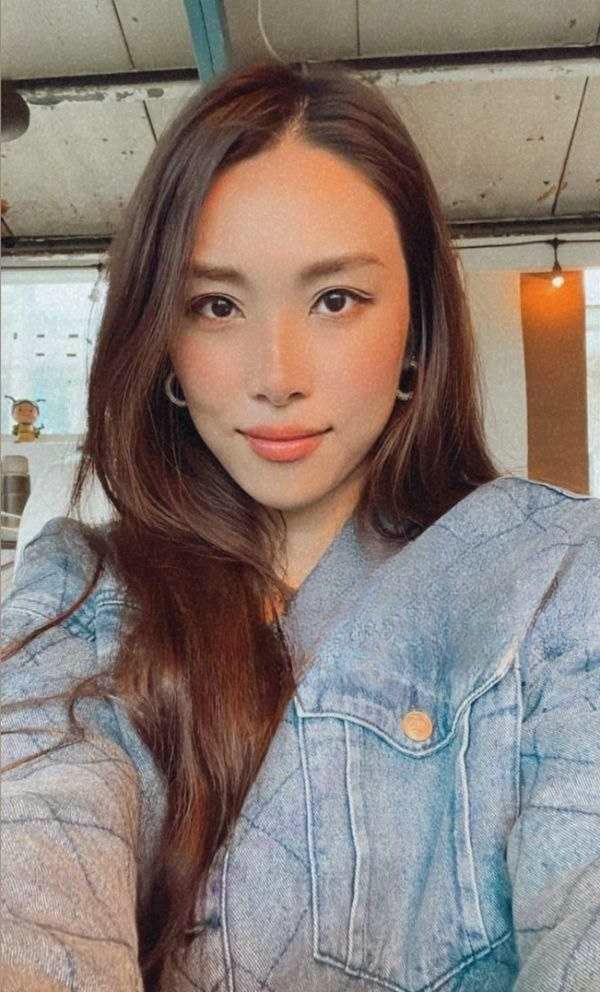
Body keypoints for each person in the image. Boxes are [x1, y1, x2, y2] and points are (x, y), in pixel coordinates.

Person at [1, 60, 599, 992]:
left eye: (335, 300)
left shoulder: (555, 579)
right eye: (216, 305)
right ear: (162, 337)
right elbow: (33, 838)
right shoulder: (81, 592)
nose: (276, 376)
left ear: (417, 327)